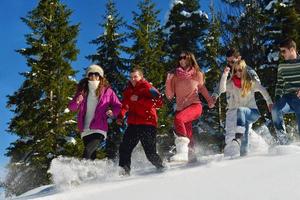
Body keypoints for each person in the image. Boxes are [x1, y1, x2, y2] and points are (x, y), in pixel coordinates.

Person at [212, 48, 267, 156]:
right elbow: (221, 85)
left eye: (232, 61)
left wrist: (244, 83)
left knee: (241, 130)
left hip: (245, 107)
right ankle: (259, 146)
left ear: (239, 58)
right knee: (234, 132)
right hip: (232, 107)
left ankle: (235, 154)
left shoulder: (248, 71)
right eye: (228, 62)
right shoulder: (228, 72)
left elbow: (257, 84)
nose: (230, 64)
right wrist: (215, 95)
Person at [165, 51, 215, 162]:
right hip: (181, 109)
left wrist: (210, 100)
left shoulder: (197, 74)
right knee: (188, 134)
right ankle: (192, 157)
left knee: (178, 119)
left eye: (184, 57)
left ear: (190, 59)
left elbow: (202, 88)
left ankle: (182, 153)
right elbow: (169, 96)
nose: (181, 60)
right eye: (180, 57)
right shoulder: (175, 76)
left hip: (195, 106)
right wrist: (168, 80)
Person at [117, 67, 164, 176]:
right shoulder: (128, 90)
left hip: (147, 123)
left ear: (141, 77)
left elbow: (159, 102)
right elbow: (125, 105)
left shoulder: (148, 87)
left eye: (135, 77)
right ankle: (124, 172)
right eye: (131, 77)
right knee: (124, 148)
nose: (133, 79)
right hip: (133, 124)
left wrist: (139, 99)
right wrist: (120, 116)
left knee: (150, 153)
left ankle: (161, 168)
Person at [68, 64, 121, 160]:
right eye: (91, 74)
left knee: (87, 152)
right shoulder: (82, 91)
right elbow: (72, 108)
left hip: (99, 127)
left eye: (96, 74)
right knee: (91, 155)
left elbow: (117, 106)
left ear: (100, 76)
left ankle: (81, 173)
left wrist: (112, 111)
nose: (93, 76)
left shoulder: (107, 91)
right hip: (85, 128)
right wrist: (77, 101)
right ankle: (92, 174)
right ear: (87, 76)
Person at [271, 38, 300, 145]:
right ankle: (283, 141)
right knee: (275, 110)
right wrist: (277, 99)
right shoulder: (282, 66)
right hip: (288, 98)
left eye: (284, 51)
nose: (282, 54)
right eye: (281, 52)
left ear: (292, 49)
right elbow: (279, 84)